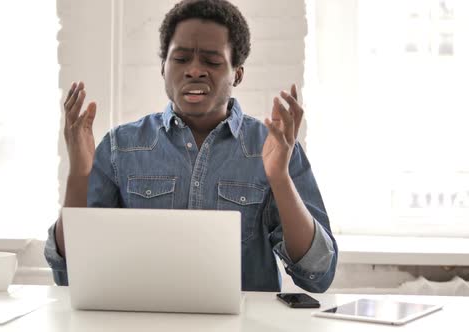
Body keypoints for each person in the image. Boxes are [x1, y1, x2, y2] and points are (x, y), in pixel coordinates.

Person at [45, 0, 338, 292]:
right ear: (163, 67)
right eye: (181, 58)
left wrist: (280, 179)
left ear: (237, 73)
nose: (195, 70)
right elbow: (68, 272)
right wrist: (79, 175)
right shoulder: (120, 147)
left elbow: (318, 272)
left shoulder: (275, 146)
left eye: (212, 61)